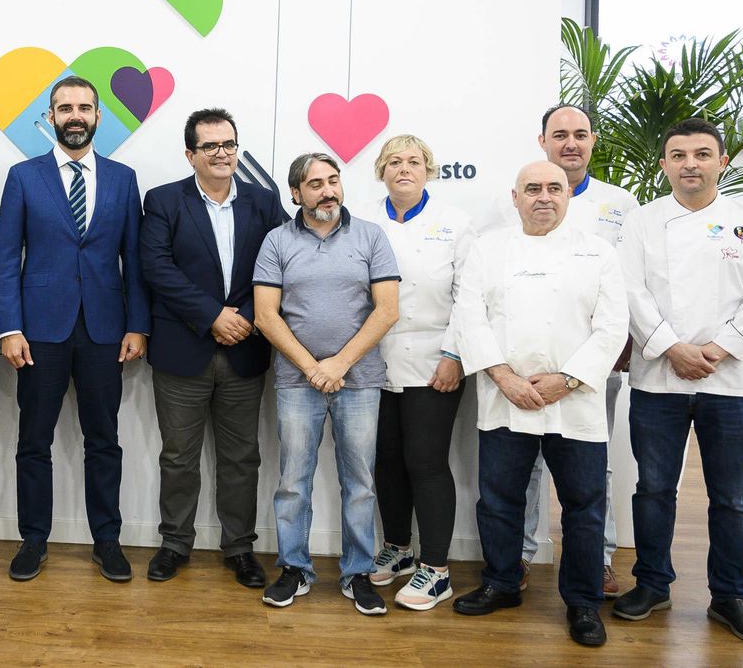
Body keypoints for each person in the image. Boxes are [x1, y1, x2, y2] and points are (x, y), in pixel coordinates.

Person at [612, 118, 743, 646]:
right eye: (680, 155)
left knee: (731, 497)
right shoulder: (641, 222)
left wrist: (717, 350)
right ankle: (652, 584)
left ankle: (730, 596)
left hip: (730, 382)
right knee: (654, 489)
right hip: (659, 380)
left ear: (722, 162)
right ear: (665, 164)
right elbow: (630, 291)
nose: (691, 164)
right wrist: (672, 348)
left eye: (702, 154)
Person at [450, 161, 628, 648]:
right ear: (515, 198)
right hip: (505, 397)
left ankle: (583, 602)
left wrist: (565, 381)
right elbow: (470, 318)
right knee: (499, 501)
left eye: (554, 188)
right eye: (532, 189)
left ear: (568, 195)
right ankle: (502, 582)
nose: (543, 197)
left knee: (584, 507)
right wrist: (504, 377)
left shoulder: (598, 252)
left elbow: (612, 326)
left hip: (575, 402)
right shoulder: (488, 250)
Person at [0, 77, 151, 584]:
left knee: (104, 440)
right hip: (39, 330)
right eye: (66, 108)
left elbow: (135, 260)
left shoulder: (124, 179)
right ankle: (33, 540)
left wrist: (138, 325)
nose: (75, 115)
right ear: (51, 117)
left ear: (99, 116)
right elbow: (6, 260)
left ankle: (107, 540)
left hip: (105, 329)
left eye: (85, 107)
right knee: (33, 441)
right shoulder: (23, 177)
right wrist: (10, 327)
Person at [138, 108, 285, 588]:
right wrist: (211, 316)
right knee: (179, 456)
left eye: (229, 144)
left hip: (245, 348)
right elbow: (156, 267)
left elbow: (284, 261)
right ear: (191, 154)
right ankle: (175, 544)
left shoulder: (264, 202)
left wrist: (244, 316)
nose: (222, 154)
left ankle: (239, 548)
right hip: (183, 350)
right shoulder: (164, 200)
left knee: (241, 458)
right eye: (211, 146)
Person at [252, 152, 399, 616]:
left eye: (333, 180)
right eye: (315, 184)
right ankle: (294, 568)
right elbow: (265, 315)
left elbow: (387, 310)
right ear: (296, 193)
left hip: (360, 380)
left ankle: (358, 573)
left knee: (360, 482)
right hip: (297, 382)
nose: (328, 191)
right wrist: (312, 367)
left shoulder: (371, 236)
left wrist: (338, 364)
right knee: (293, 481)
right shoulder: (277, 241)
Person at [516, 103, 639, 597]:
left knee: (594, 462)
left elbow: (630, 284)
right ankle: (521, 554)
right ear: (542, 141)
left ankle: (598, 559)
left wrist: (620, 346)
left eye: (580, 134)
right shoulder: (521, 198)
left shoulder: (620, 204)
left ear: (593, 141)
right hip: (527, 363)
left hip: (593, 362)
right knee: (526, 463)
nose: (571, 143)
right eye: (560, 134)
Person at [369, 134, 475, 610]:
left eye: (414, 161)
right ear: (382, 171)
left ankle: (436, 570)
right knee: (386, 460)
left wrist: (455, 355)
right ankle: (398, 548)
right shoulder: (363, 221)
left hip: (435, 361)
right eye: (394, 161)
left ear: (429, 170)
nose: (404, 169)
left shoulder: (455, 224)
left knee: (426, 462)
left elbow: (470, 297)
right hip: (374, 359)